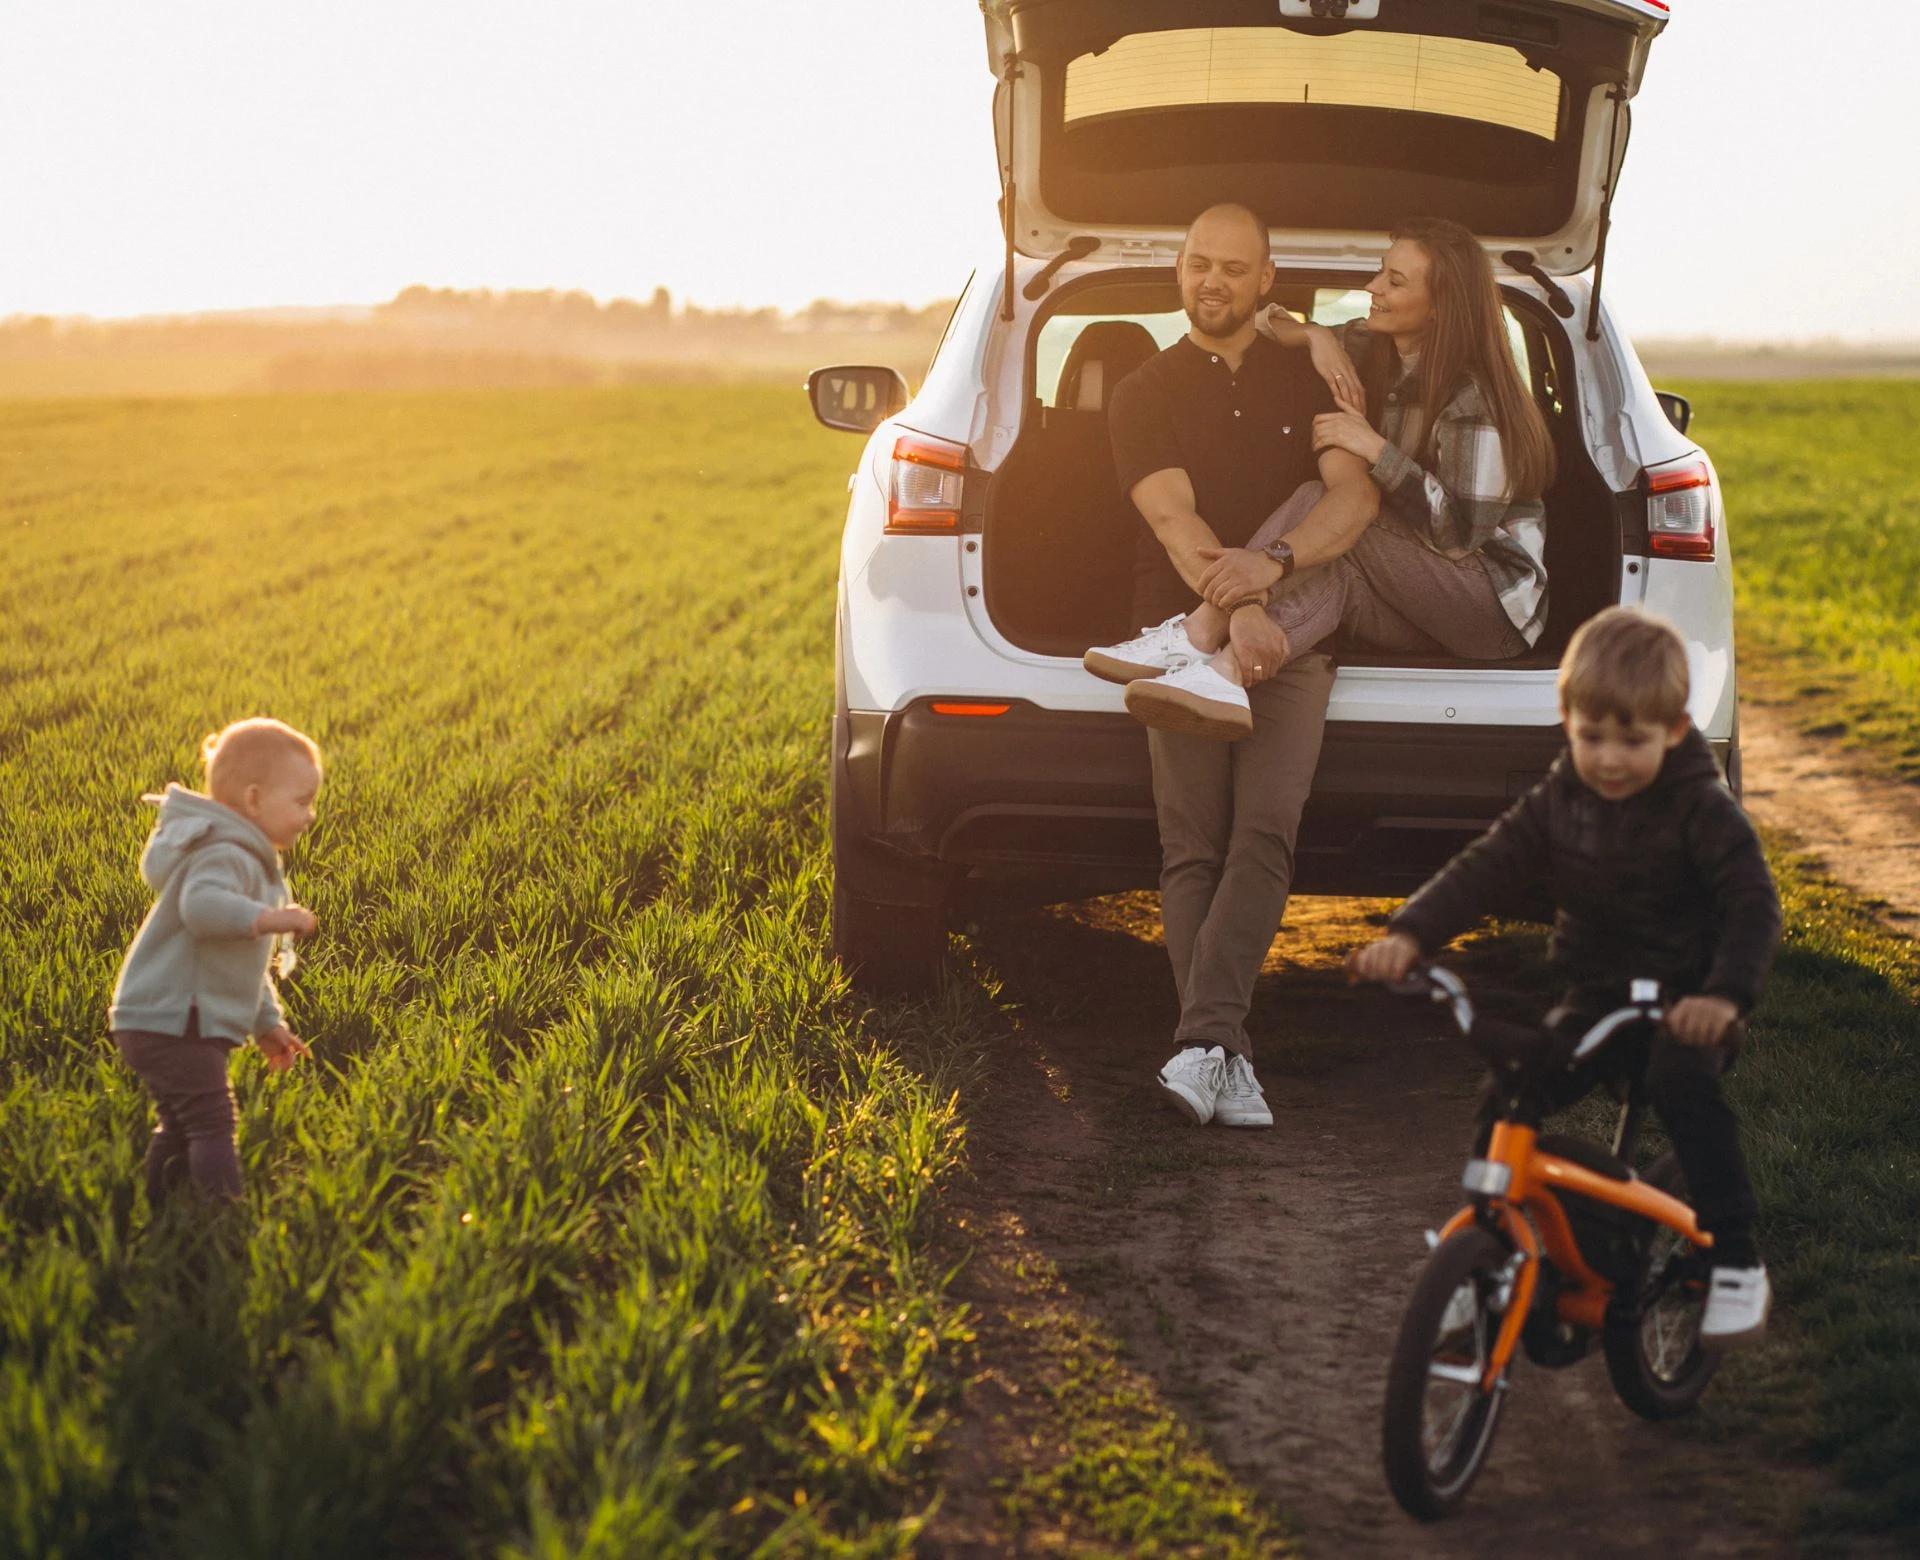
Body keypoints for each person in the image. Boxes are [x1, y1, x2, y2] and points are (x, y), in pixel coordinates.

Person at [1349, 608, 1781, 1344]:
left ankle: (1737, 1259)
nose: (1610, 759)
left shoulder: (1699, 807)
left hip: (1686, 1001)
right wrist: (1411, 932)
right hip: (1601, 995)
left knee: (1683, 1087)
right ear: (1566, 721)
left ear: (1676, 731)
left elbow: (1752, 903)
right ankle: (1487, 1254)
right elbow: (1489, 865)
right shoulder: (1562, 797)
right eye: (1592, 738)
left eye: (1632, 741)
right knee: (1512, 1086)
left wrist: (1721, 995)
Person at [1080, 202, 1380, 1128]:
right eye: (1196, 264)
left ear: (1265, 280)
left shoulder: (1307, 375)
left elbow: (1354, 498)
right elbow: (1175, 522)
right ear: (1180, 272)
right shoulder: (1144, 390)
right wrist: (1239, 610)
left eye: (1232, 268)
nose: (1211, 281)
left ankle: (1202, 1047)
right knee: (1193, 846)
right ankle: (1220, 1050)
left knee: (1265, 836)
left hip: (1291, 640)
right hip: (1181, 637)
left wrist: (1275, 583)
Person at [1115, 215, 1557, 739]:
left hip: (1487, 609)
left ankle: (1201, 628)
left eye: (1394, 281)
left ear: (1439, 306)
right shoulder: (1370, 347)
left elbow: (1459, 536)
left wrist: (1374, 449)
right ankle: (1224, 675)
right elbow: (1254, 321)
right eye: (1380, 273)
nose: (1372, 287)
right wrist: (1314, 335)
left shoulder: (1473, 398)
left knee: (1327, 501)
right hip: (1413, 598)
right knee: (1336, 570)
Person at [109, 717, 322, 1206]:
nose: (309, 816)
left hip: (158, 1017)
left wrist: (268, 1023)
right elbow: (201, 910)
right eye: (302, 802)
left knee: (183, 1122)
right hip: (175, 1019)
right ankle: (222, 1218)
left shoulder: (240, 853)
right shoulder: (225, 853)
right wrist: (270, 917)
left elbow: (237, 964)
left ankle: (161, 1207)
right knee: (212, 1121)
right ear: (252, 800)